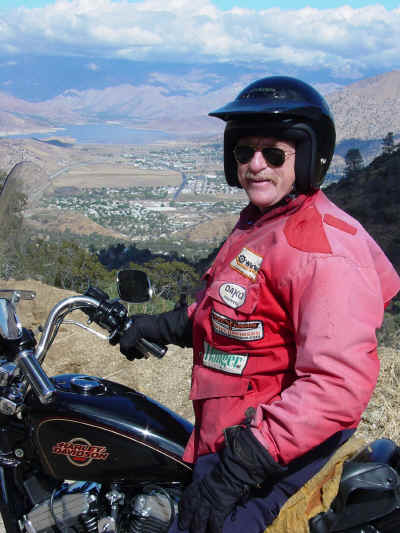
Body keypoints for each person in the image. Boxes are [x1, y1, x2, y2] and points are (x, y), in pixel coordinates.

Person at [119, 76, 400, 533]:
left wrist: (241, 467)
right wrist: (163, 326)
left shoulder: (321, 251)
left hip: (275, 456)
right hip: (235, 435)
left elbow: (335, 385)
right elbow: (235, 314)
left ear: (308, 158)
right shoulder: (263, 222)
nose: (256, 165)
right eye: (244, 151)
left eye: (273, 154)